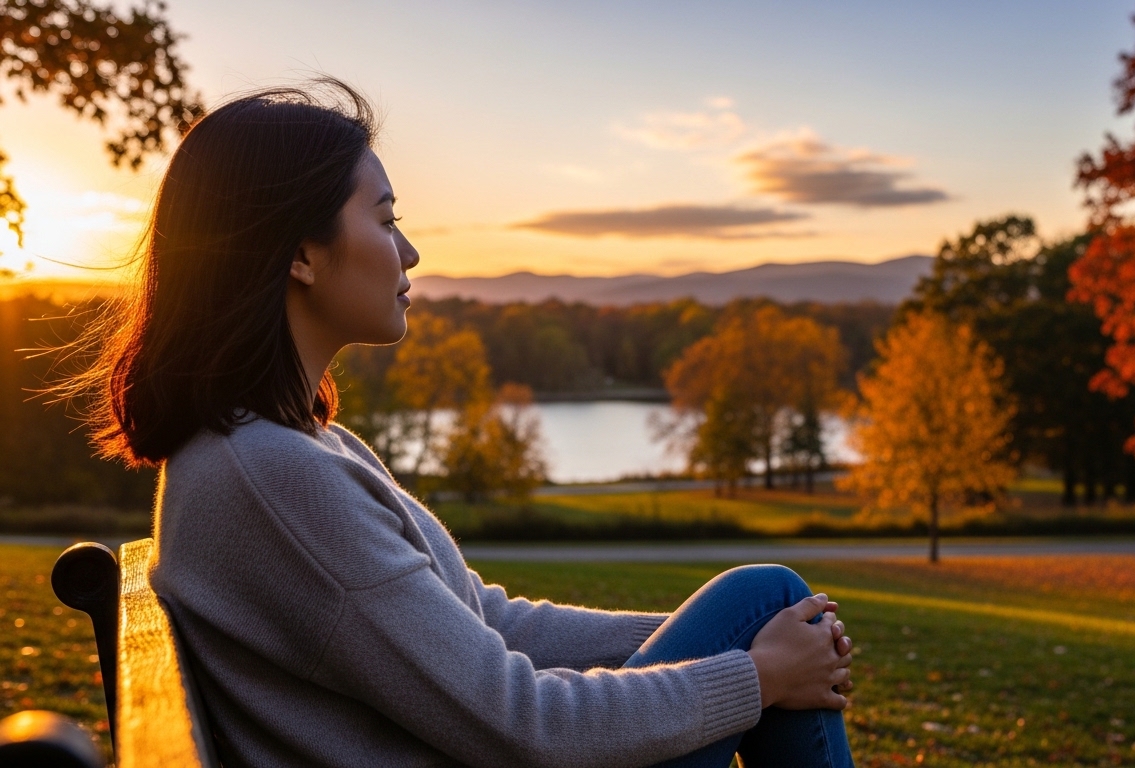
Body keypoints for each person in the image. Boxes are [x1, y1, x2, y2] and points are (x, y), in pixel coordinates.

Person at [71, 79, 857, 768]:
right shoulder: (276, 477)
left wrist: (722, 639)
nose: (409, 252)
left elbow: (485, 622)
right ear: (302, 255)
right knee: (765, 591)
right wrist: (755, 675)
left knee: (765, 604)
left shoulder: (294, 449)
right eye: (383, 221)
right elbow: (522, 727)